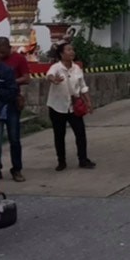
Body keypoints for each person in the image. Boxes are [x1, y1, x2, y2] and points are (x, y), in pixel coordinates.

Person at [45, 40, 95, 171]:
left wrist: (88, 102)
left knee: (80, 133)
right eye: (68, 50)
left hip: (74, 106)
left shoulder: (77, 68)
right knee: (59, 135)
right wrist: (54, 80)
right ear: (61, 54)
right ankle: (61, 161)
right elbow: (49, 75)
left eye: (72, 49)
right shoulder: (56, 67)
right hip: (57, 106)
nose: (71, 52)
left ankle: (83, 159)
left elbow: (83, 87)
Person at [0, 41, 23, 181]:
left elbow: (13, 91)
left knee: (14, 139)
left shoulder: (6, 70)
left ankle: (17, 169)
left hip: (9, 108)